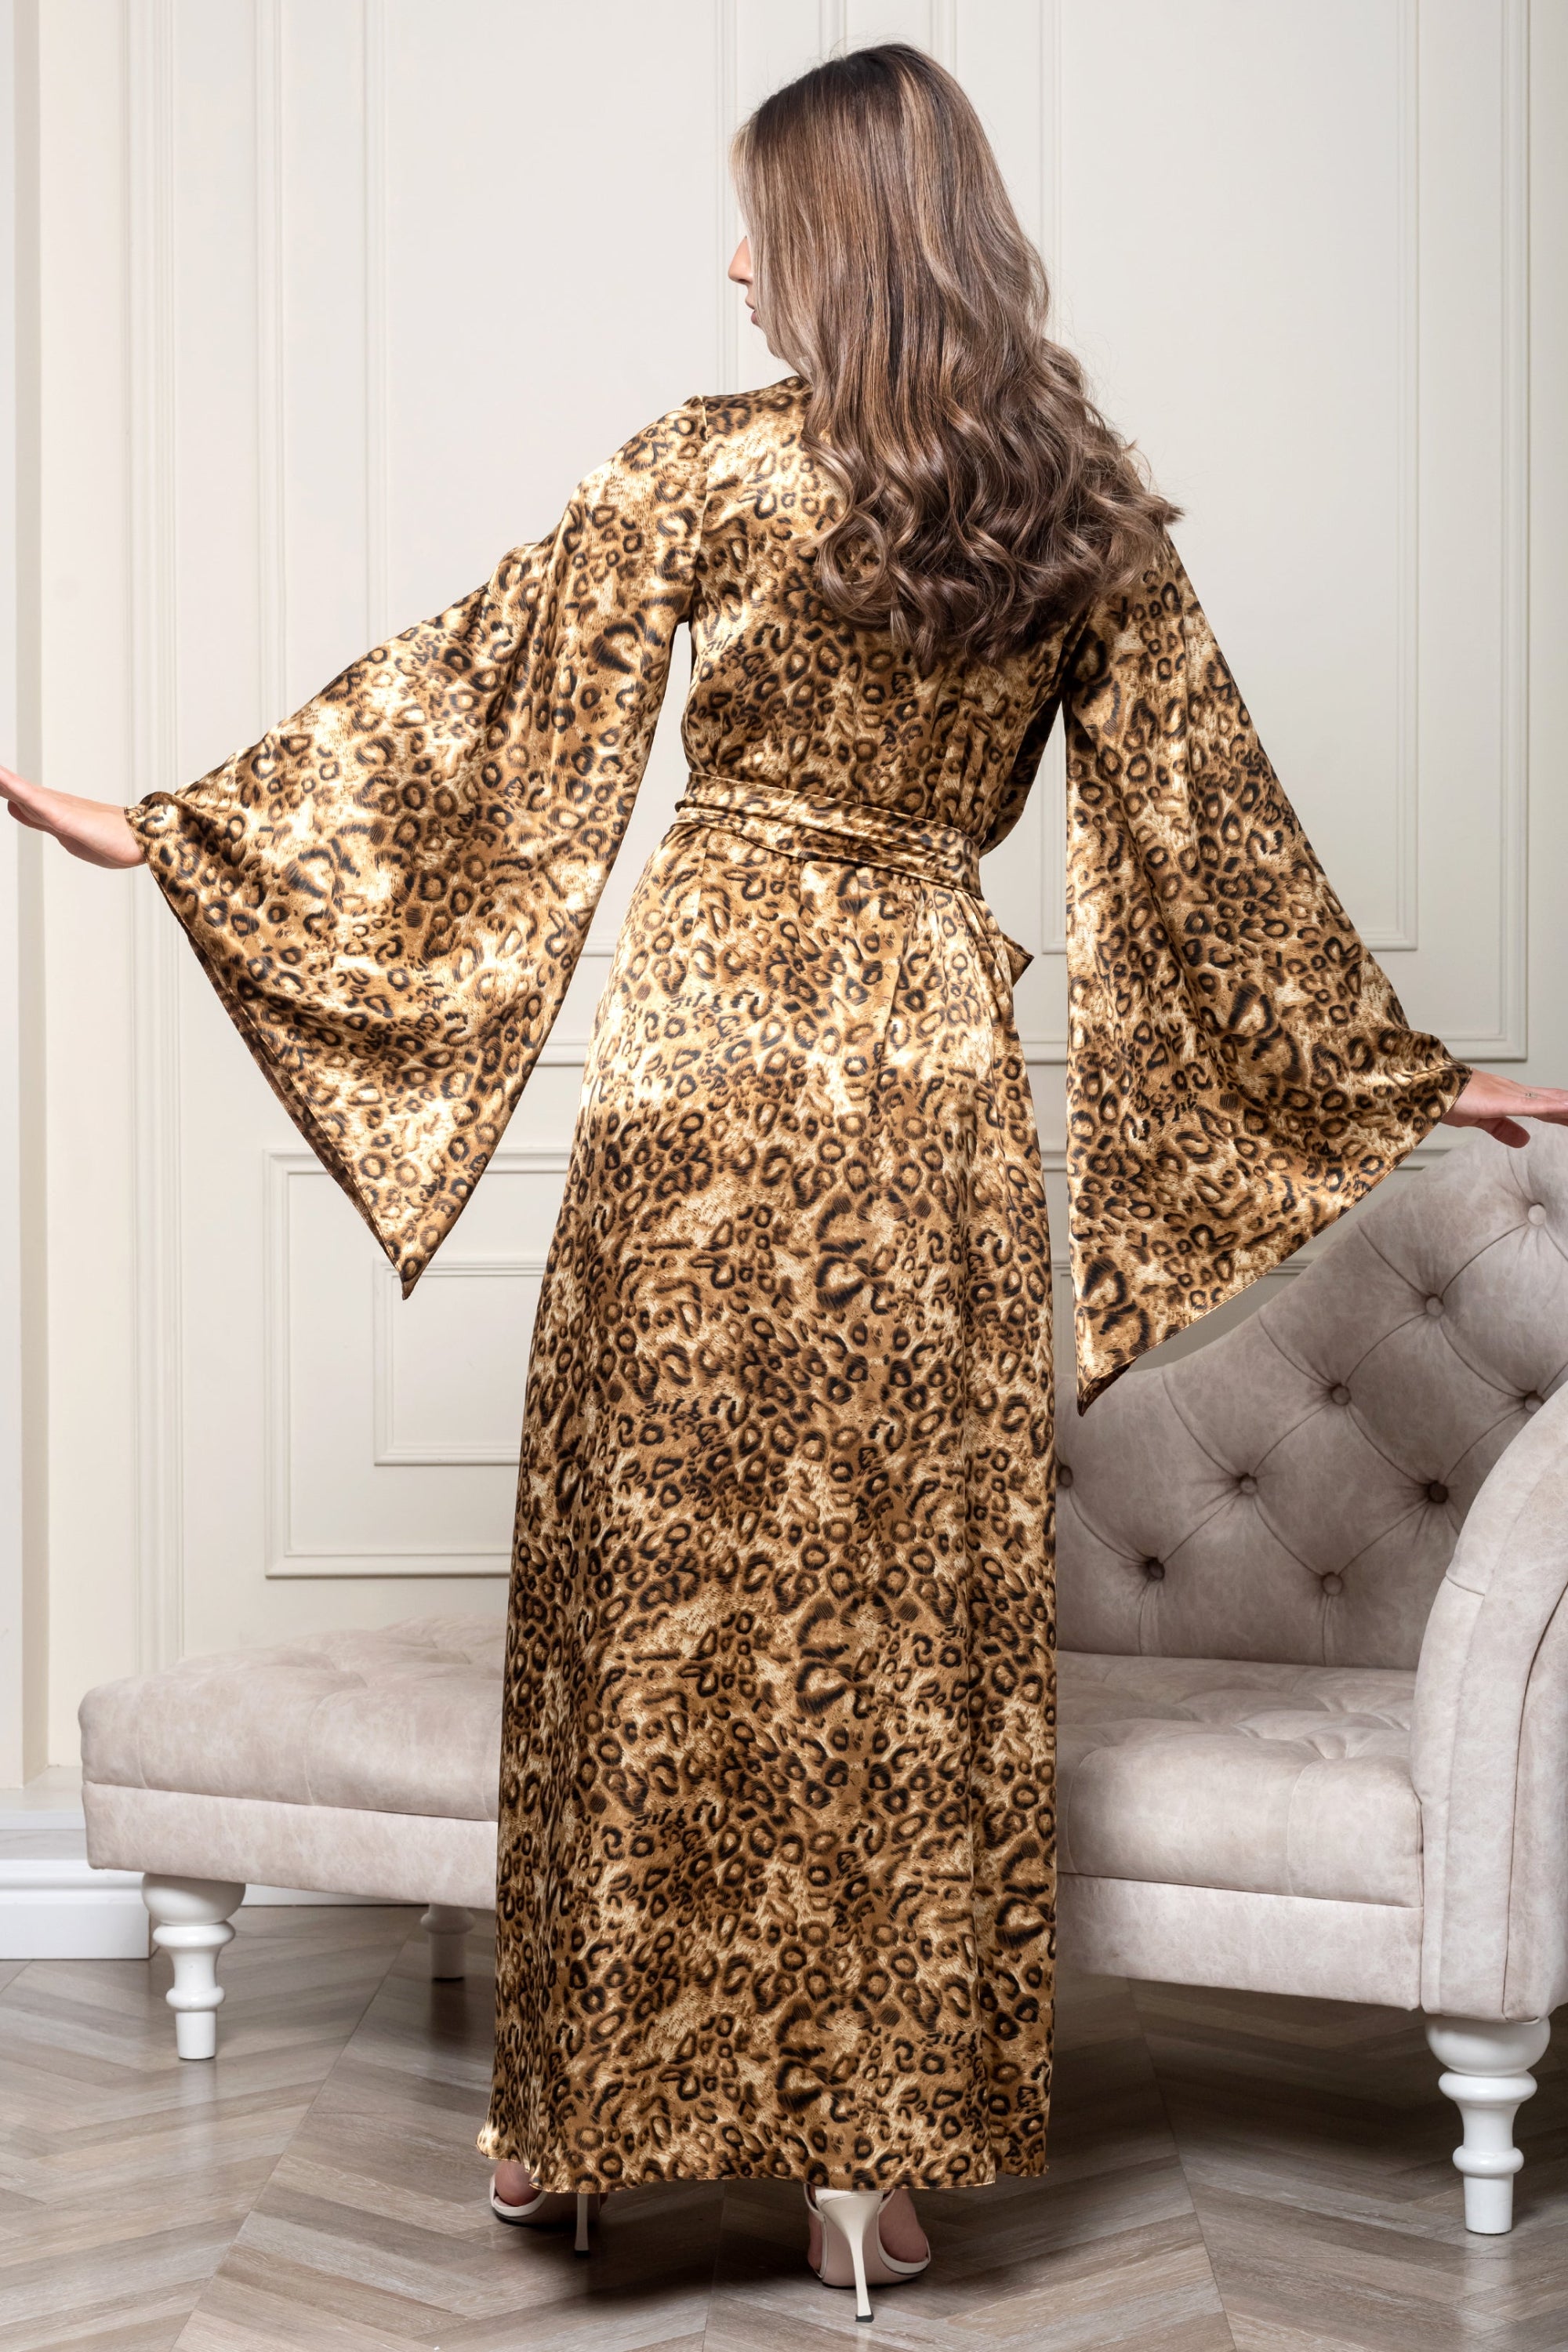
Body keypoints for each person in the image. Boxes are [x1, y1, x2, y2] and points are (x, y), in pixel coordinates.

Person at [5, 38, 1563, 2322]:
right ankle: (872, 2167)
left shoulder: (712, 475)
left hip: (717, 1066)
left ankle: (573, 2127)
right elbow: (1212, 848)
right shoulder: (1084, 514)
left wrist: (187, 836)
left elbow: (480, 718)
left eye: (757, 218)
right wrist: (1397, 1069)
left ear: (836, 241)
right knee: (902, 1615)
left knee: (657, 1591)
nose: (728, 256)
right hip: (925, 1077)